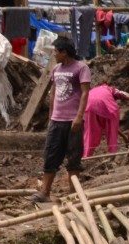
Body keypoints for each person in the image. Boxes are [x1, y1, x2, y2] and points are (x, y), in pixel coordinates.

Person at [32, 37, 91, 203]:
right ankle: (44, 192)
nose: (54, 54)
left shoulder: (81, 68)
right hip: (56, 121)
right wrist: (51, 116)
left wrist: (79, 117)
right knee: (51, 155)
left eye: (56, 51)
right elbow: (53, 92)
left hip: (73, 120)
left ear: (64, 52)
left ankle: (73, 194)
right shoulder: (56, 69)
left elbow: (85, 93)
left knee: (73, 158)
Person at [82, 84, 129, 158]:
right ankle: (112, 153)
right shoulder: (109, 89)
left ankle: (85, 155)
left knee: (90, 133)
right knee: (112, 133)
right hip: (109, 108)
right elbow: (122, 93)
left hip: (89, 106)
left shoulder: (90, 92)